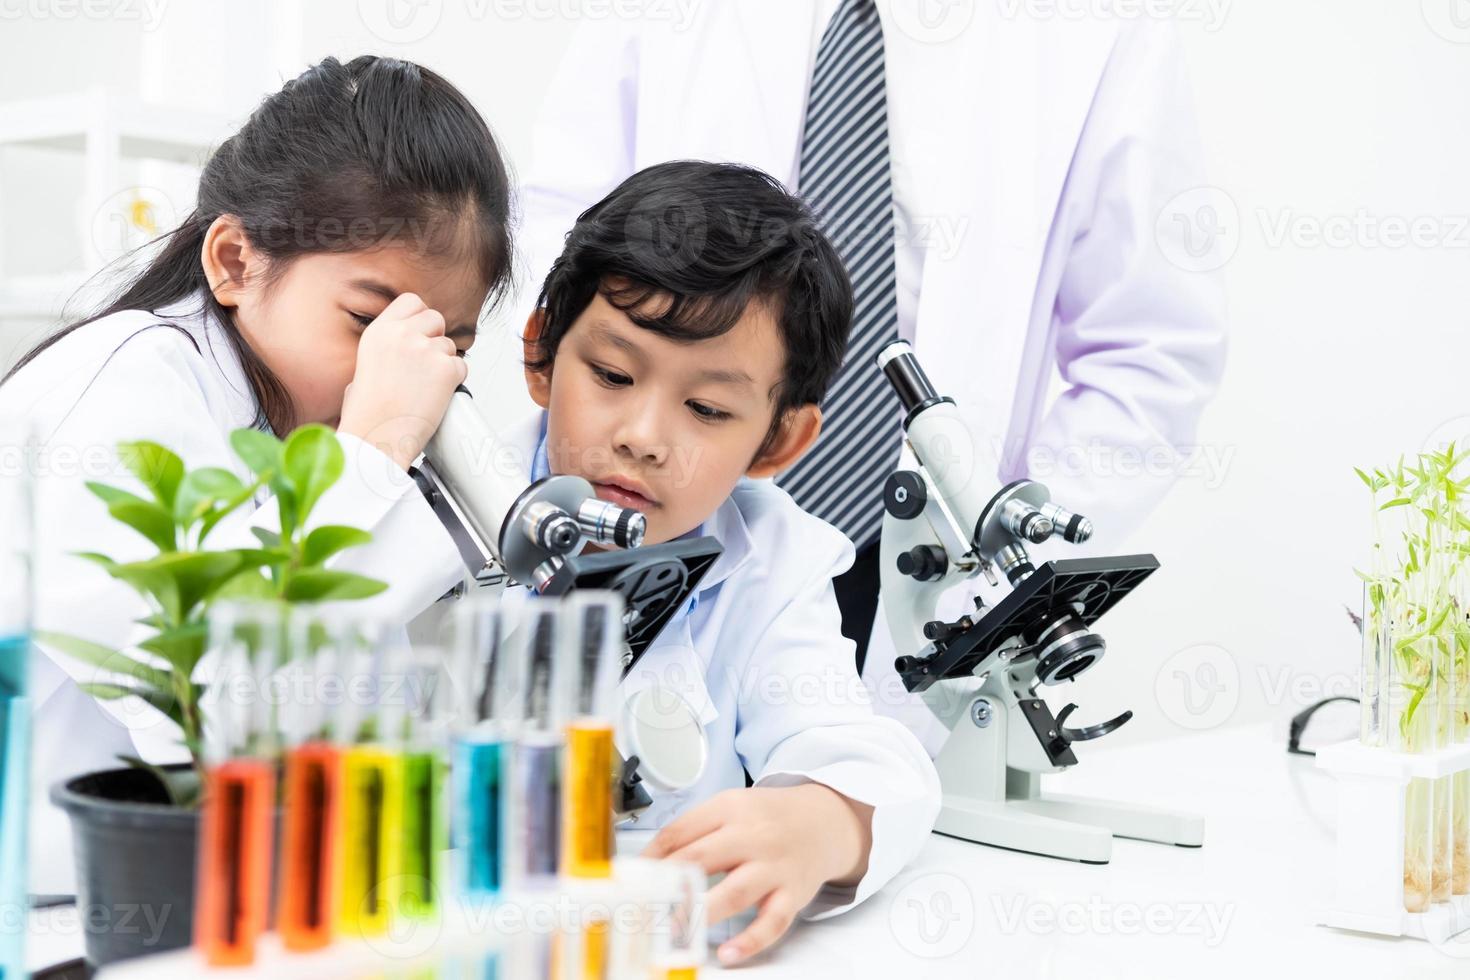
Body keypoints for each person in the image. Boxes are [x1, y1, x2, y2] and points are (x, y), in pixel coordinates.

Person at [519, 1, 1229, 750]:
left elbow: (1150, 347)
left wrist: (1000, 573)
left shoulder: (1103, 27)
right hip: (662, 529)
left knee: (861, 797)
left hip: (927, 550)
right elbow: (560, 239)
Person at [0, 55, 506, 892]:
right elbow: (216, 714)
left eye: (445, 343)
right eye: (369, 320)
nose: (411, 368)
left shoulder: (305, 433)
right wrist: (373, 450)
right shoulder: (128, 386)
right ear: (234, 261)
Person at [504, 159, 939, 965]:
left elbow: (874, 761)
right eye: (610, 374)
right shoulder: (441, 510)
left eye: (706, 408)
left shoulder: (770, 559)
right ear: (540, 356)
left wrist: (821, 822)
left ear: (778, 442)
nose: (642, 434)